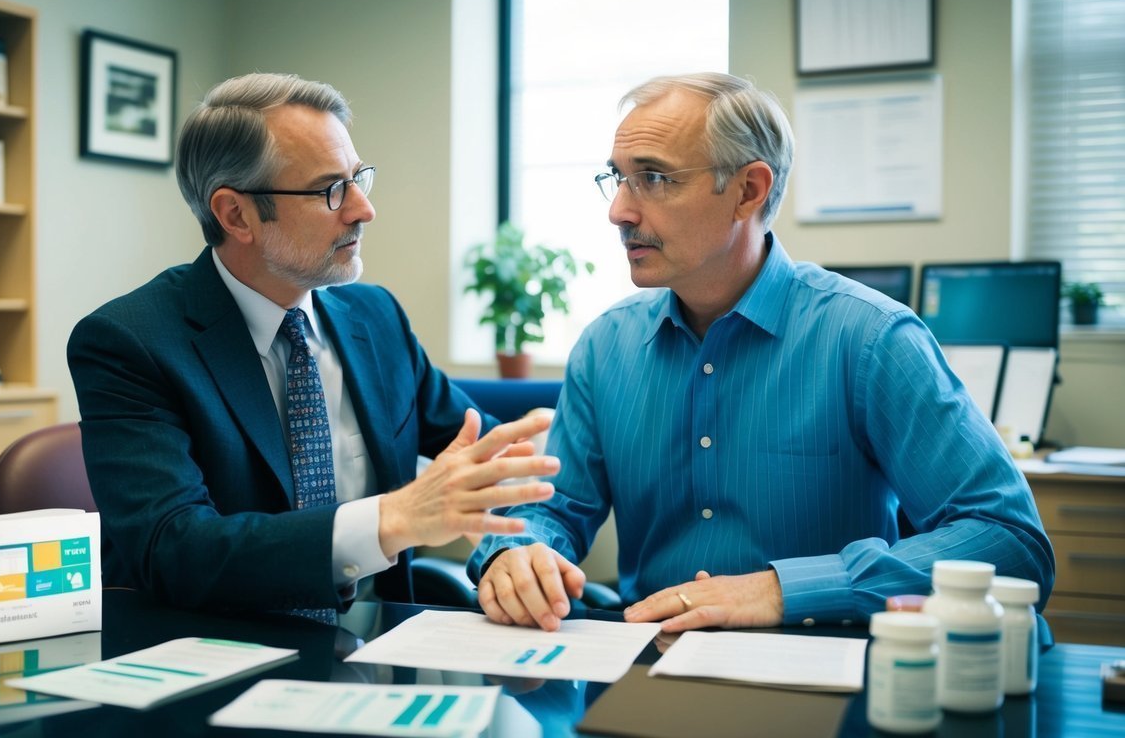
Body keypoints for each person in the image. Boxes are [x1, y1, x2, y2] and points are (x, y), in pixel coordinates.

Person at [468, 72, 1055, 633]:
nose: (619, 210)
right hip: (647, 670)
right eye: (618, 178)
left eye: (653, 178)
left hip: (822, 671)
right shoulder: (605, 348)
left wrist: (780, 589)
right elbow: (552, 509)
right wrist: (517, 554)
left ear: (748, 190)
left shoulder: (871, 339)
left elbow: (1008, 538)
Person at [68, 73, 559, 617]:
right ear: (235, 214)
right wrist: (391, 520)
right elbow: (175, 550)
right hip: (220, 659)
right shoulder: (130, 342)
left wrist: (503, 550)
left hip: (383, 651)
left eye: (358, 179)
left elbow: (484, 454)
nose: (362, 209)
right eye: (330, 190)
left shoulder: (376, 319)